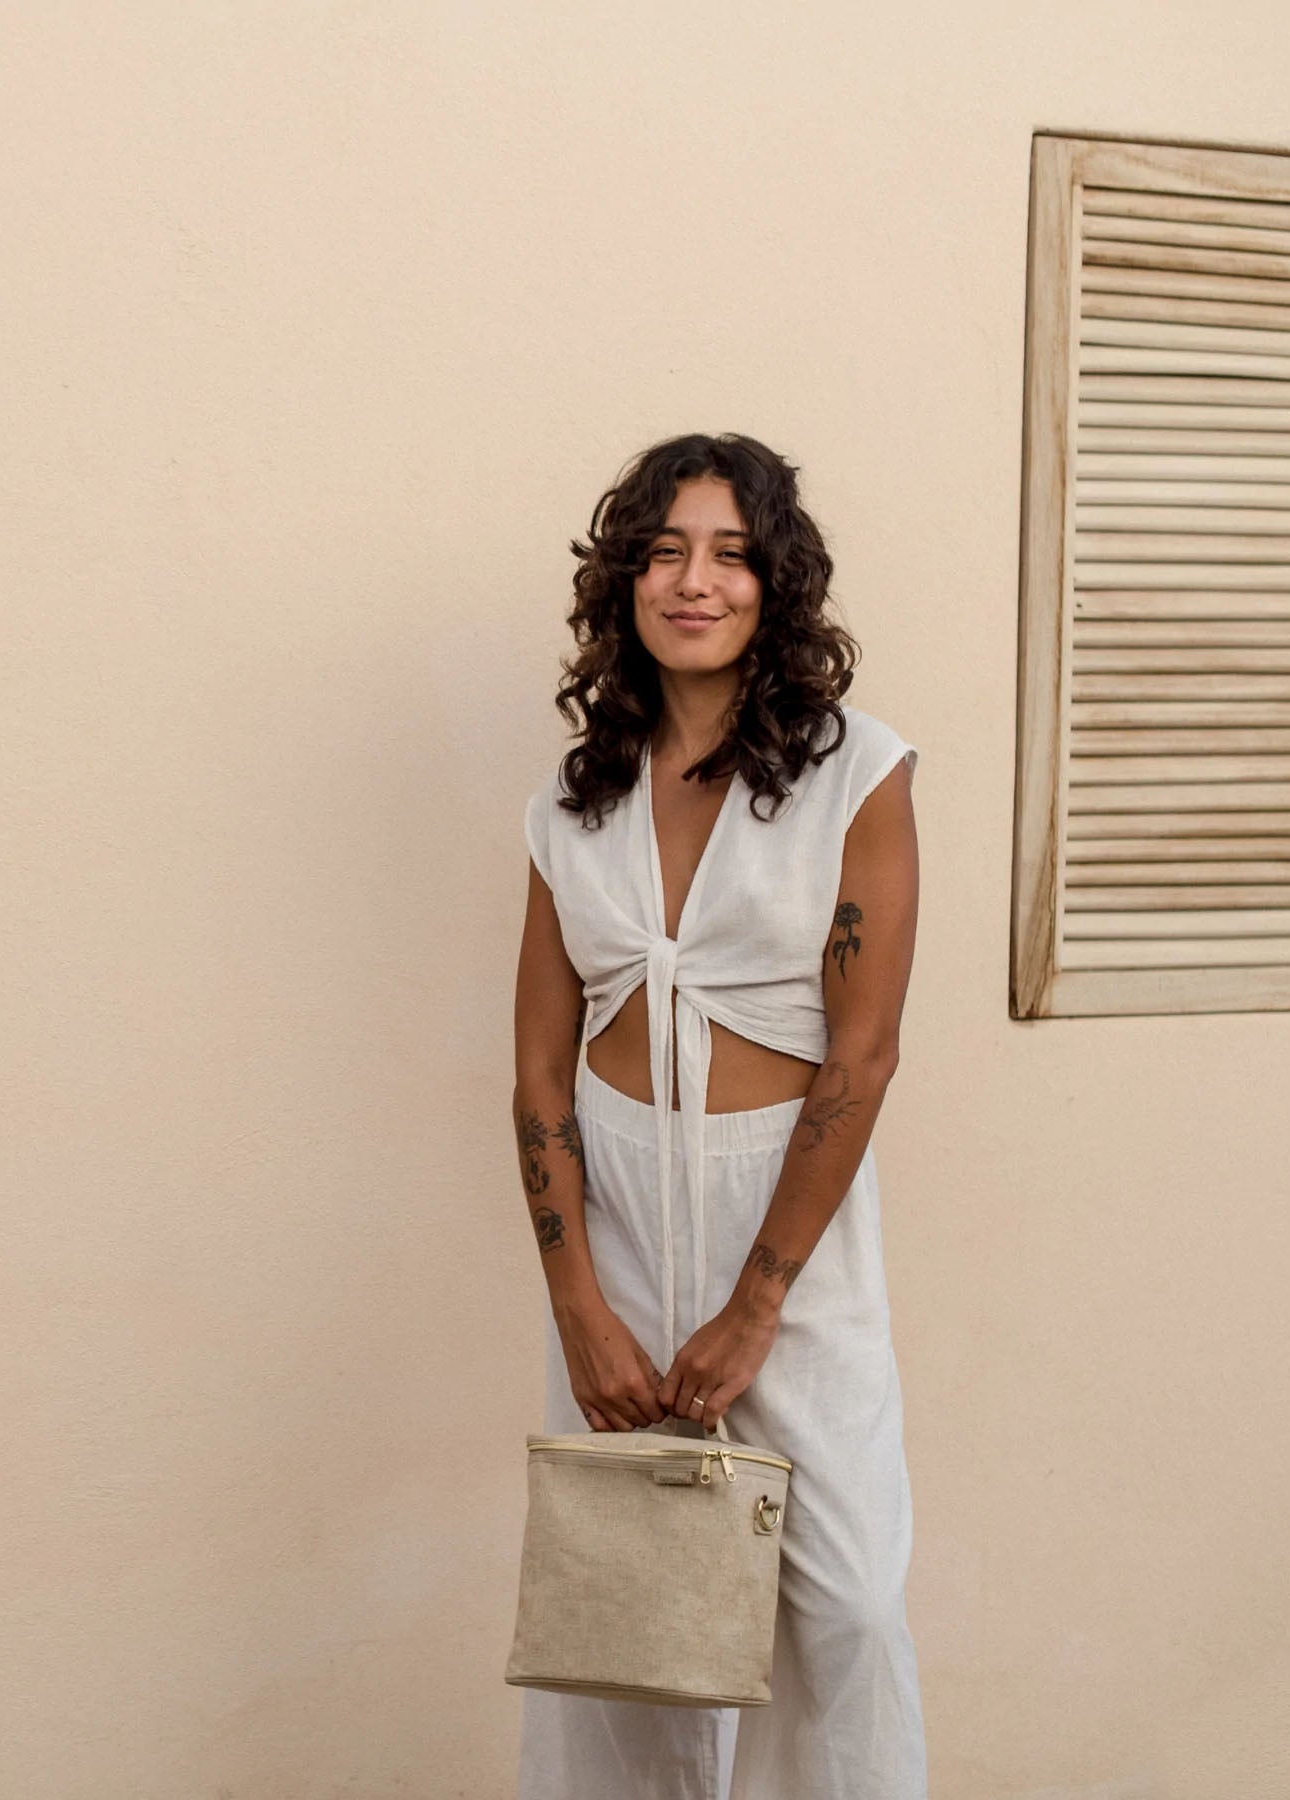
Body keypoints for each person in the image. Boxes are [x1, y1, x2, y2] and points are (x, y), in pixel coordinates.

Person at [511, 431, 929, 1798]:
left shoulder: (854, 773)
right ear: (625, 579)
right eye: (667, 550)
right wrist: (580, 1305)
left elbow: (858, 1064)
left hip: (789, 1248)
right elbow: (535, 1072)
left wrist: (756, 1307)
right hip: (622, 1232)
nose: (697, 582)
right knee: (628, 1637)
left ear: (777, 585)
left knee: (846, 1611)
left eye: (733, 554)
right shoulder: (573, 805)